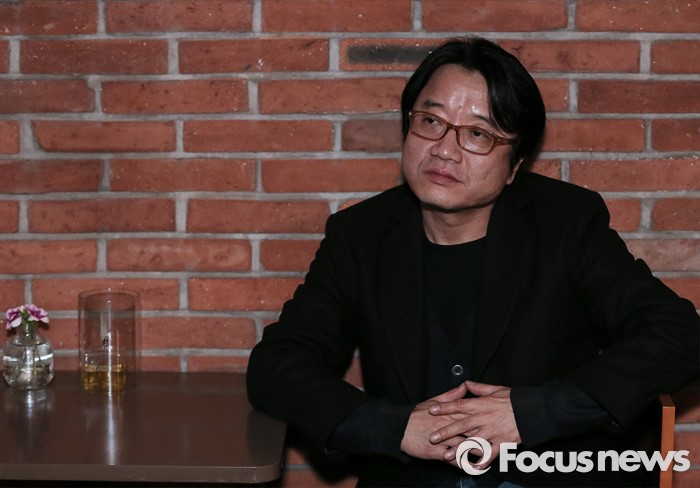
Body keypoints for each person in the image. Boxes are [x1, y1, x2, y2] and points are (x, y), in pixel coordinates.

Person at [246, 37, 699, 487]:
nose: (444, 149)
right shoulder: (362, 235)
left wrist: (532, 413)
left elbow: (680, 335)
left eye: (478, 134)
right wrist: (395, 428)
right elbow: (277, 366)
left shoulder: (565, 224)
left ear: (515, 165)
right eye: (430, 121)